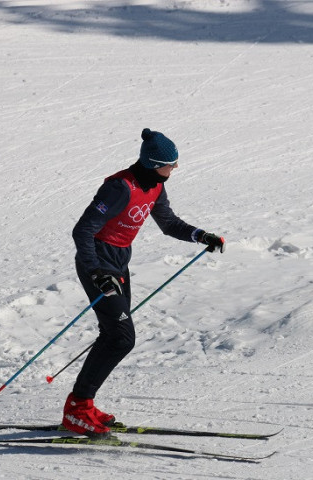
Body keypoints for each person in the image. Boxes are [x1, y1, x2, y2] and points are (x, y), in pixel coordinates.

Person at [62, 128, 225, 438]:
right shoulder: (119, 187)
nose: (174, 168)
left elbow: (168, 223)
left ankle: (82, 404)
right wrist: (96, 270)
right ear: (153, 163)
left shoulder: (155, 185)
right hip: (97, 261)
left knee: (114, 334)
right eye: (170, 163)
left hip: (119, 261)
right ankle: (77, 409)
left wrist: (201, 236)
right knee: (122, 338)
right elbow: (82, 230)